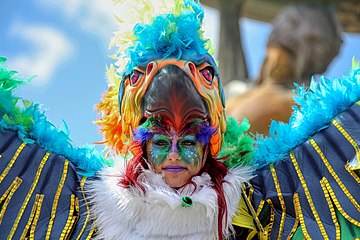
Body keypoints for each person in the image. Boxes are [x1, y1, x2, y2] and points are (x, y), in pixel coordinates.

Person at [0, 0, 359, 239]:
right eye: (289, 22)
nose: (287, 35)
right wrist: (231, 14)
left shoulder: (293, 111)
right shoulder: (242, 91)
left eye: (303, 33)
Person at [226, 3, 343, 135]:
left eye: (313, 41)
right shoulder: (236, 89)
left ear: (324, 61)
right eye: (293, 23)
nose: (296, 38)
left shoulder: (304, 109)